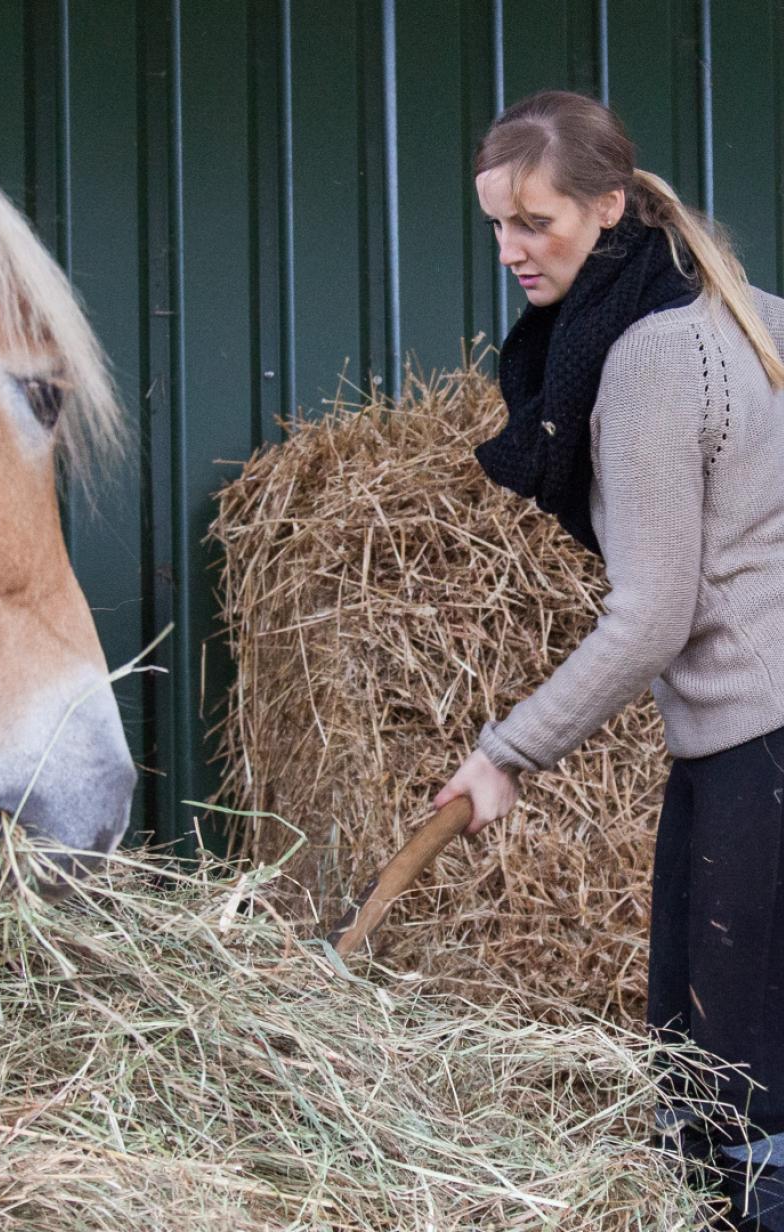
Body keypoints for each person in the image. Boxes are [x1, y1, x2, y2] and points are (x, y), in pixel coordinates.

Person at [432, 89, 784, 1230]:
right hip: (750, 752)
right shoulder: (759, 318)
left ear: (609, 206)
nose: (511, 251)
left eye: (535, 222)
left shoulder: (642, 356)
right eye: (495, 225)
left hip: (753, 761)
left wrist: (504, 751)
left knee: (724, 1103)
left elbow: (650, 614)